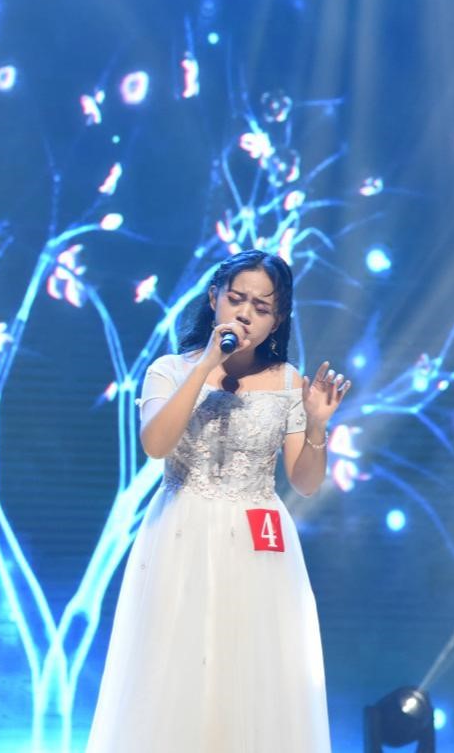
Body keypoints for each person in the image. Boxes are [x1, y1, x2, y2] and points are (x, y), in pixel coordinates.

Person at [85, 249, 351, 753]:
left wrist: (317, 425)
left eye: (261, 307)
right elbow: (156, 445)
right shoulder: (168, 370)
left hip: (258, 542)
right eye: (236, 299)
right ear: (214, 299)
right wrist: (208, 362)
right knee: (174, 667)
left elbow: (306, 482)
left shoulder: (289, 382)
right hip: (181, 531)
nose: (245, 314)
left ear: (277, 320)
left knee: (253, 669)